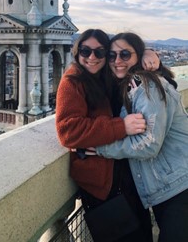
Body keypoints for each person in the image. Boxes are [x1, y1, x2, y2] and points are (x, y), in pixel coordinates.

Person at [55, 29, 158, 242]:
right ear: (77, 52)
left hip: (125, 174)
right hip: (102, 185)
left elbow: (129, 59)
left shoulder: (108, 75)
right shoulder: (72, 81)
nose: (92, 57)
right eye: (85, 51)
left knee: (142, 233)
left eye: (100, 53)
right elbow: (68, 131)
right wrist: (120, 127)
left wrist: (148, 52)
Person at [95, 32, 188, 242]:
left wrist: (101, 148)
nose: (117, 61)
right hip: (170, 185)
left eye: (125, 54)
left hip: (180, 186)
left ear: (137, 57)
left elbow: (149, 145)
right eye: (112, 56)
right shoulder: (131, 86)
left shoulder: (146, 85)